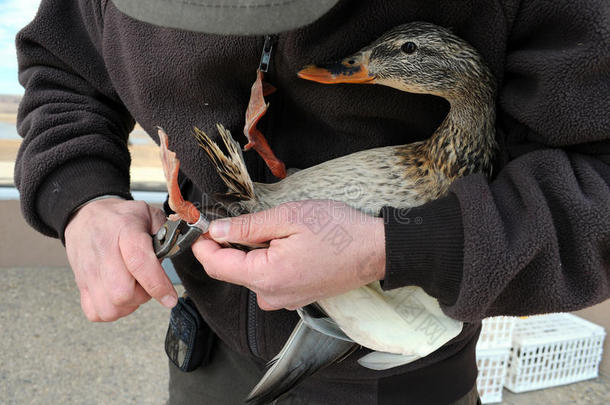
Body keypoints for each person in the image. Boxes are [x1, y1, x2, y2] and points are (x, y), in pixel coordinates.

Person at [15, 0, 609, 404]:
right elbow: (65, 64)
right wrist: (81, 197)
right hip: (206, 348)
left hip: (400, 383)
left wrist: (398, 247)